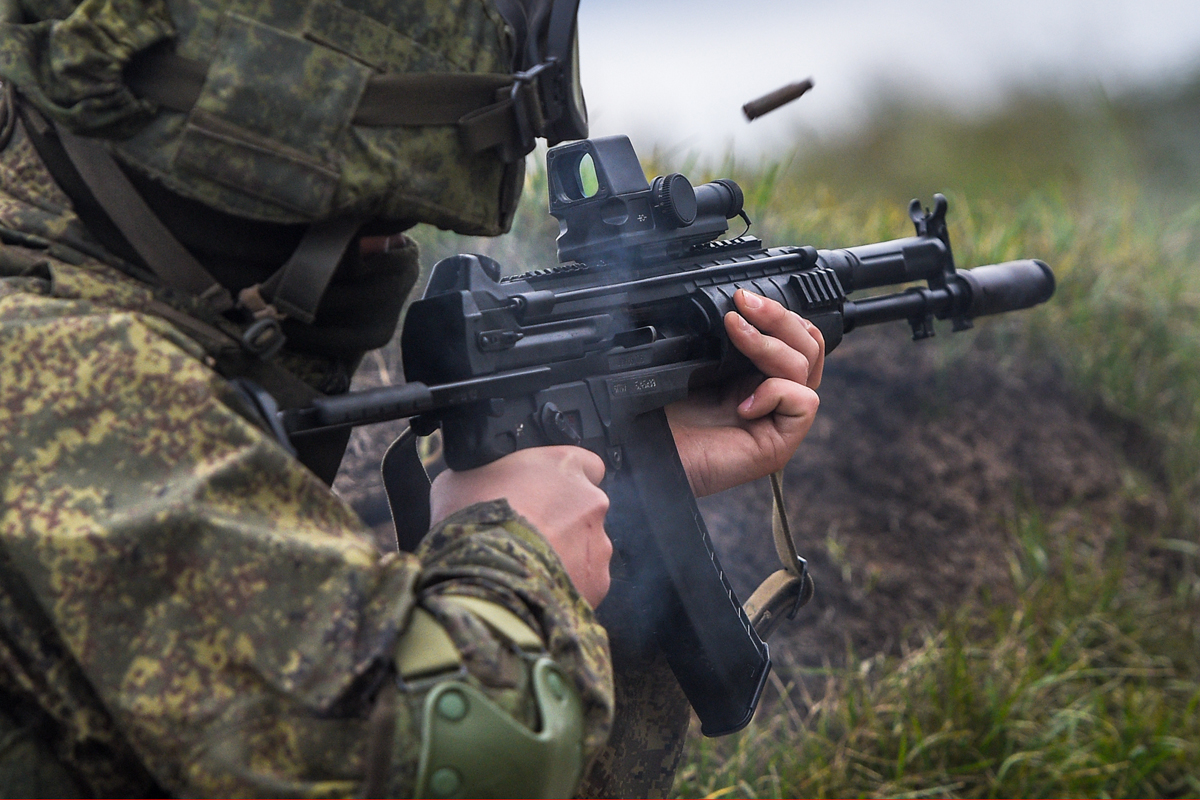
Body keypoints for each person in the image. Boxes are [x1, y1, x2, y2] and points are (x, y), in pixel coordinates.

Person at [0, 0, 825, 795]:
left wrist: (634, 479)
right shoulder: (63, 375)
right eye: (373, 224)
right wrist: (513, 552)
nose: (390, 254)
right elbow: (455, 758)